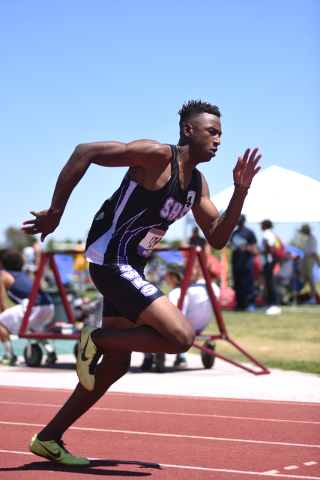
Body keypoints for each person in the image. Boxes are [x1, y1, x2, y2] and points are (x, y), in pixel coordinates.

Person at [22, 99, 261, 466]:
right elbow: (85, 152)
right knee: (180, 337)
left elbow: (216, 235)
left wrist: (240, 191)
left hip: (132, 267)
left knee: (116, 366)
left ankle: (48, 438)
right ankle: (94, 338)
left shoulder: (197, 183)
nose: (217, 141)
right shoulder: (155, 157)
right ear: (188, 131)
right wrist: (56, 212)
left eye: (220, 135)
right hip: (111, 260)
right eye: (211, 132)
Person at [140, 261, 220, 370]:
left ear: (173, 276)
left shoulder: (177, 292)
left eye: (166, 274)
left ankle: (148, 357)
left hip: (183, 328)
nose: (164, 276)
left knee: (142, 326)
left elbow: (173, 316)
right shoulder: (213, 287)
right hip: (202, 325)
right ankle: (180, 357)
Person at [0, 249, 56, 366]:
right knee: (32, 326)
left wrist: (7, 323)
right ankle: (50, 352)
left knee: (1, 323)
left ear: (1, 263)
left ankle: (10, 356)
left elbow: (3, 305)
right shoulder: (25, 275)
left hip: (34, 306)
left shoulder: (4, 276)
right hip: (49, 306)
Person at [229, 214, 258, 311]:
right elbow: (231, 245)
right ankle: (240, 304)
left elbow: (254, 248)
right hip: (236, 262)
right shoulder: (235, 233)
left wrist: (246, 248)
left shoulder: (249, 233)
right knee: (237, 284)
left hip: (246, 263)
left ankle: (251, 303)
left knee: (248, 283)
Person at [259, 220, 281, 314]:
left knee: (270, 283)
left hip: (268, 262)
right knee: (267, 283)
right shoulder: (268, 234)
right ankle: (268, 303)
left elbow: (270, 249)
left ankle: (275, 304)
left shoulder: (267, 234)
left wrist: (260, 252)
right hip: (266, 262)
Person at [298, 224, 319, 304]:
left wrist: (318, 262)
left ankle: (313, 297)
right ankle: (310, 295)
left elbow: (314, 252)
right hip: (306, 258)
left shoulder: (312, 239)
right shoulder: (309, 238)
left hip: (309, 258)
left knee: (310, 278)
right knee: (306, 277)